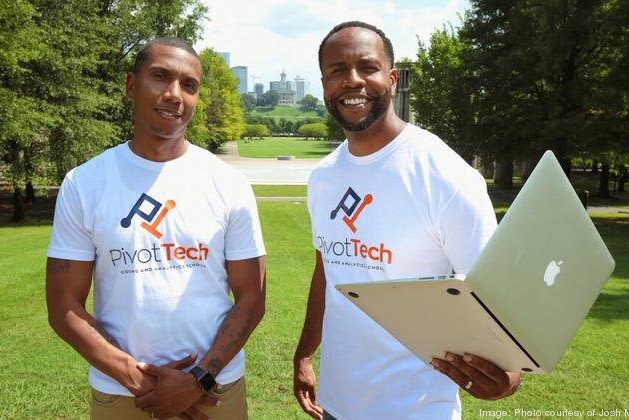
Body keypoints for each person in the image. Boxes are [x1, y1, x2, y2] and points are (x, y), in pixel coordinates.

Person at [293, 21, 520, 419]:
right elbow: (326, 270)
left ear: (392, 79)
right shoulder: (324, 178)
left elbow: (495, 292)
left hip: (417, 409)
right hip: (336, 405)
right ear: (325, 84)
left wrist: (510, 375)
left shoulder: (445, 176)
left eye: (367, 67)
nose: (352, 80)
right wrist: (305, 353)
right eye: (337, 71)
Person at [46, 37, 266, 420]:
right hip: (122, 395)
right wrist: (142, 381)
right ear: (131, 85)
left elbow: (252, 298)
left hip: (214, 393)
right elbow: (63, 306)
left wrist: (197, 379)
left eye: (189, 85)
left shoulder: (228, 183)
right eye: (161, 77)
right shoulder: (84, 183)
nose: (174, 95)